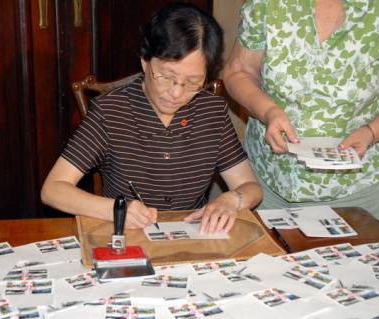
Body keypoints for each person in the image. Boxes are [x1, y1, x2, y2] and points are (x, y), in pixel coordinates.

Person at [41, 3, 262, 233]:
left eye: (193, 82)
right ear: (145, 61)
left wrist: (231, 200)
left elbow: (251, 187)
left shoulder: (211, 112)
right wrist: (115, 210)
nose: (176, 93)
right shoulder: (111, 111)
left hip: (192, 239)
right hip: (127, 238)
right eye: (166, 76)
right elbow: (53, 189)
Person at [222, 0, 379, 224]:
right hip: (270, 178)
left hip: (356, 188)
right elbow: (238, 71)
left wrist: (371, 132)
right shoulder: (268, 3)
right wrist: (268, 111)